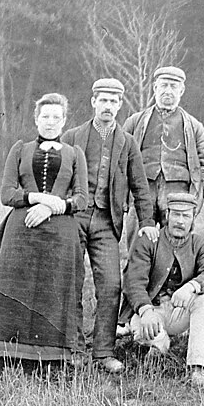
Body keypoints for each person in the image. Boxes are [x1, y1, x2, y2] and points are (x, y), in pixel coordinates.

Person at [0, 93, 87, 386]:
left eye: (56, 117)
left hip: (60, 233)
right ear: (36, 120)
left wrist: (53, 206)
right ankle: (1, 366)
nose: (50, 122)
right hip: (21, 231)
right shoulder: (20, 149)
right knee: (11, 293)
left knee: (55, 294)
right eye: (45, 117)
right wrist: (37, 198)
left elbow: (81, 198)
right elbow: (6, 194)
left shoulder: (74, 154)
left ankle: (50, 365)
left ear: (64, 121)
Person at [61, 78, 158, 374]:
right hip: (73, 219)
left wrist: (147, 223)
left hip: (107, 222)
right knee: (70, 282)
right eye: (103, 100)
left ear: (120, 105)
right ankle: (72, 349)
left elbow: (140, 186)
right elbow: (57, 179)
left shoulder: (127, 142)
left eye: (114, 101)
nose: (108, 106)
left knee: (111, 286)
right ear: (93, 102)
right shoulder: (73, 136)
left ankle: (103, 351)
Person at [119, 193, 204, 386]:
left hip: (177, 311)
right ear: (167, 215)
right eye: (176, 214)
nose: (180, 221)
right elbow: (133, 282)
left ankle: (197, 366)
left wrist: (192, 286)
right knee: (151, 336)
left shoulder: (200, 244)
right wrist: (145, 310)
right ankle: (159, 346)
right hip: (150, 311)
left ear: (193, 218)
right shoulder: (149, 241)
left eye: (186, 216)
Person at [123, 66, 204, 226]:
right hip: (142, 189)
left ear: (182, 90)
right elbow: (120, 160)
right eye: (164, 85)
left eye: (174, 86)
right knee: (138, 242)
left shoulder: (194, 126)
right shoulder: (135, 122)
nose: (168, 91)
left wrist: (196, 196)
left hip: (178, 191)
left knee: (173, 243)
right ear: (155, 88)